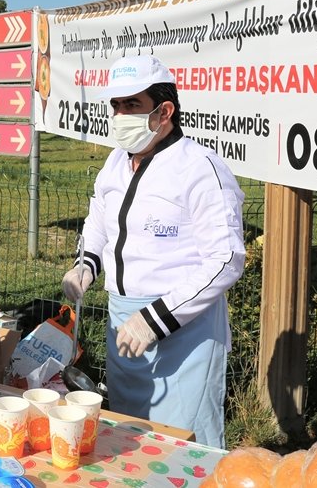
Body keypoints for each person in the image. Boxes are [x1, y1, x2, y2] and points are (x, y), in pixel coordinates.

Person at [60, 55, 245, 447]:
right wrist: (86, 265)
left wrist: (155, 319)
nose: (120, 115)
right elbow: (99, 221)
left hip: (183, 331)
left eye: (132, 105)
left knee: (183, 446)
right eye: (116, 106)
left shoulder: (201, 168)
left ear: (165, 111)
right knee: (128, 439)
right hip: (122, 322)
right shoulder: (114, 163)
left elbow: (226, 260)